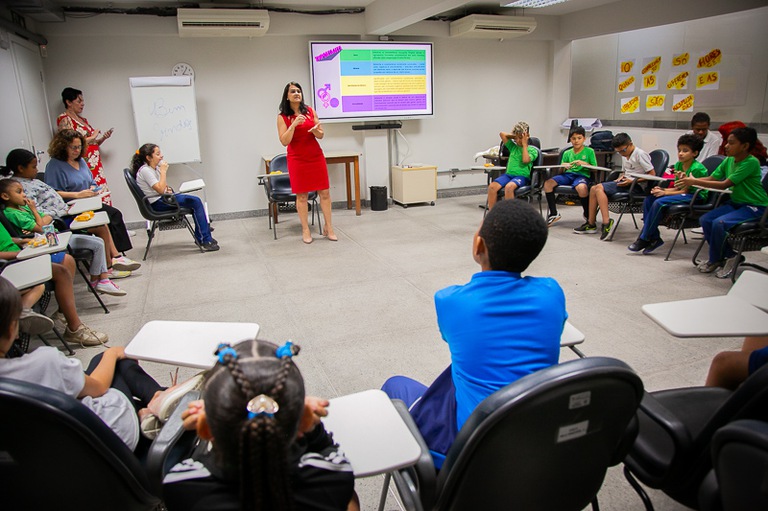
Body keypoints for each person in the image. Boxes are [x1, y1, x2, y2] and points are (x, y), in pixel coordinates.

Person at [381, 200, 567, 466]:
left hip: (471, 450)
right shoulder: (552, 293)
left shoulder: (451, 300)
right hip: (534, 437)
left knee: (395, 385)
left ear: (479, 246)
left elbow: (452, 336)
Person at [0, 276, 202, 450]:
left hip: (54, 457)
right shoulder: (45, 364)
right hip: (107, 438)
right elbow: (97, 387)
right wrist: (112, 354)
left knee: (99, 360)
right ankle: (159, 403)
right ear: (11, 329)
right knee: (116, 361)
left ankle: (155, 403)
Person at [163, 339, 357, 511]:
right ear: (302, 425)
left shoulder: (183, 484)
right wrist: (314, 431)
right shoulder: (331, 474)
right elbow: (330, 457)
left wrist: (198, 429)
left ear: (205, 429)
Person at [3, 148, 133, 278]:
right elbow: (39, 216)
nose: (37, 170)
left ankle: (112, 260)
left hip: (63, 212)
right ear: (21, 168)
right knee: (101, 226)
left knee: (103, 220)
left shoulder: (32, 181)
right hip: (59, 220)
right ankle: (108, 267)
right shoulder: (22, 189)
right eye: (33, 167)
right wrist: (57, 212)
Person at [0, 179, 126, 296]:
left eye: (23, 191)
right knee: (95, 243)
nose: (24, 195)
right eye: (19, 192)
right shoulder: (12, 213)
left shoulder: (23, 208)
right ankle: (102, 281)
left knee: (98, 242)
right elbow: (40, 226)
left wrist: (42, 220)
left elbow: (48, 217)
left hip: (54, 236)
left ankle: (98, 281)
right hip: (47, 242)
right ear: (5, 196)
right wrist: (35, 211)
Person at [677, 126, 768, 279]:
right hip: (737, 203)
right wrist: (691, 180)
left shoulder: (751, 162)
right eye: (727, 142)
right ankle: (729, 256)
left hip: (756, 206)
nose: (726, 145)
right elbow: (713, 178)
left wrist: (693, 181)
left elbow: (724, 184)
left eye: (731, 143)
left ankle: (716, 259)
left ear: (745, 146)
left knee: (720, 223)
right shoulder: (728, 160)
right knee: (705, 219)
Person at [0, 223, 107, 346]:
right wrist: (19, 254)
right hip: (9, 265)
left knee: (66, 260)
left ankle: (62, 313)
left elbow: (4, 240)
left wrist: (21, 241)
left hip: (19, 256)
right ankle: (74, 328)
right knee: (59, 273)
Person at [44, 129, 139, 266]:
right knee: (102, 219)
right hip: (71, 206)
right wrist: (77, 195)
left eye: (79, 147)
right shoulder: (54, 165)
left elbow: (91, 181)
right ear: (62, 146)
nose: (77, 150)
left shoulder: (81, 161)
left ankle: (118, 253)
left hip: (88, 202)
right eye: (73, 147)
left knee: (114, 214)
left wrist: (94, 189)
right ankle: (114, 257)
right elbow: (52, 193)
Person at [627, 134, 709, 255]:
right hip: (684, 193)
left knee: (659, 202)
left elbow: (685, 191)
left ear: (695, 153)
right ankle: (654, 238)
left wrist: (665, 192)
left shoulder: (697, 168)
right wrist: (660, 190)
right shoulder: (679, 165)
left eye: (685, 151)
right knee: (650, 199)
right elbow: (677, 187)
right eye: (679, 150)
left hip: (696, 197)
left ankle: (644, 238)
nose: (680, 153)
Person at [277, 82, 337, 245]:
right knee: (302, 195)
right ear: (287, 96)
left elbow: (321, 134)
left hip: (315, 156)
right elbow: (284, 141)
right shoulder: (283, 117)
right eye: (293, 91)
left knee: (324, 192)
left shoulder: (310, 111)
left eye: (299, 91)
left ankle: (328, 227)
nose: (297, 93)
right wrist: (294, 126)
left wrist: (316, 131)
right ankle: (305, 229)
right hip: (297, 158)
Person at [131, 144, 218, 251]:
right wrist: (163, 172)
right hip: (158, 203)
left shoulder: (153, 168)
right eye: (157, 154)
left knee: (194, 202)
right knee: (196, 202)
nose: (161, 156)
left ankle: (202, 236)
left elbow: (162, 187)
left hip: (162, 199)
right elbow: (159, 189)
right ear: (148, 158)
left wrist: (166, 188)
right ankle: (205, 239)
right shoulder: (146, 171)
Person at [574, 132, 655, 240]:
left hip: (636, 186)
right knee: (594, 188)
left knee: (598, 188)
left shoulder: (640, 154)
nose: (621, 153)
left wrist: (632, 181)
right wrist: (621, 177)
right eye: (619, 152)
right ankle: (591, 224)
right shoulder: (625, 155)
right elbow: (626, 171)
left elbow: (652, 175)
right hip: (626, 182)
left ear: (630, 144)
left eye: (623, 150)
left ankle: (607, 222)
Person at [56, 87, 114, 205]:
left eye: (82, 101)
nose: (82, 104)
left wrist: (102, 138)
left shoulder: (83, 120)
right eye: (79, 101)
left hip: (95, 162)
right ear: (68, 102)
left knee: (101, 191)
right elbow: (67, 142)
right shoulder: (64, 119)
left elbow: (93, 143)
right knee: (89, 193)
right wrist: (92, 137)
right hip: (82, 160)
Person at [543, 125, 596, 225]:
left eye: (579, 138)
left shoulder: (590, 151)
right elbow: (560, 171)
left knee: (582, 188)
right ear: (570, 139)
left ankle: (588, 214)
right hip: (567, 175)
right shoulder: (567, 153)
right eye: (573, 138)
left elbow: (595, 169)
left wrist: (585, 164)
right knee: (548, 184)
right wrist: (563, 166)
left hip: (582, 175)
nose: (576, 141)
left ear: (584, 138)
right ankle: (554, 213)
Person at [486, 121, 538, 211]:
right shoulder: (513, 147)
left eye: (520, 138)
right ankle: (492, 215)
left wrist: (524, 144)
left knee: (509, 187)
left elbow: (525, 160)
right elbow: (502, 134)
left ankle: (510, 216)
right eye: (516, 139)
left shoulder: (532, 150)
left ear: (527, 136)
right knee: (492, 187)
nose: (517, 141)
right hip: (508, 175)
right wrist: (516, 135)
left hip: (522, 177)